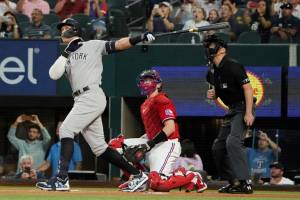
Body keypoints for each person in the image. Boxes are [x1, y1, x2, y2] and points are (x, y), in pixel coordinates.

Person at [35, 18, 155, 192]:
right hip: (81, 99)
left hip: (91, 95)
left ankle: (61, 178)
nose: (62, 31)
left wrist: (139, 37)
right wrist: (66, 52)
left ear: (75, 30)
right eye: (61, 29)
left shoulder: (93, 45)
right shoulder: (65, 55)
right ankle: (138, 175)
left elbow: (118, 45)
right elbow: (53, 75)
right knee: (99, 148)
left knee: (66, 130)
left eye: (67, 28)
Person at [115, 70, 207, 193]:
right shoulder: (144, 104)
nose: (146, 83)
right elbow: (152, 131)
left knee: (158, 184)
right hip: (152, 142)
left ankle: (192, 176)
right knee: (115, 146)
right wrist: (141, 141)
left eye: (149, 80)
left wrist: (149, 144)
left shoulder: (162, 100)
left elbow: (170, 128)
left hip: (167, 144)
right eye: (144, 80)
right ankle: (138, 177)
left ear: (158, 84)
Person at [205, 34, 255, 194]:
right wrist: (214, 94)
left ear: (222, 50)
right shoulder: (212, 70)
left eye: (213, 45)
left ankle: (245, 182)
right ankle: (233, 182)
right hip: (231, 109)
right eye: (208, 45)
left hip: (243, 107)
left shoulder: (233, 66)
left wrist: (249, 113)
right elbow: (219, 90)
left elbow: (248, 89)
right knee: (217, 148)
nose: (209, 48)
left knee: (233, 142)